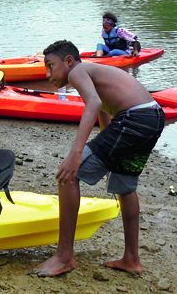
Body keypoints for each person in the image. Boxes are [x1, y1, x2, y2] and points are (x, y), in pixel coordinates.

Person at [32, 39, 167, 278]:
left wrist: (76, 155)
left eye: (51, 65)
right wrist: (105, 156)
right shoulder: (92, 74)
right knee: (124, 186)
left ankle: (64, 257)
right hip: (153, 117)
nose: (48, 73)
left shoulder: (78, 72)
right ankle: (131, 259)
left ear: (69, 61)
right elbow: (104, 112)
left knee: (67, 176)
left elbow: (94, 105)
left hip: (134, 119)